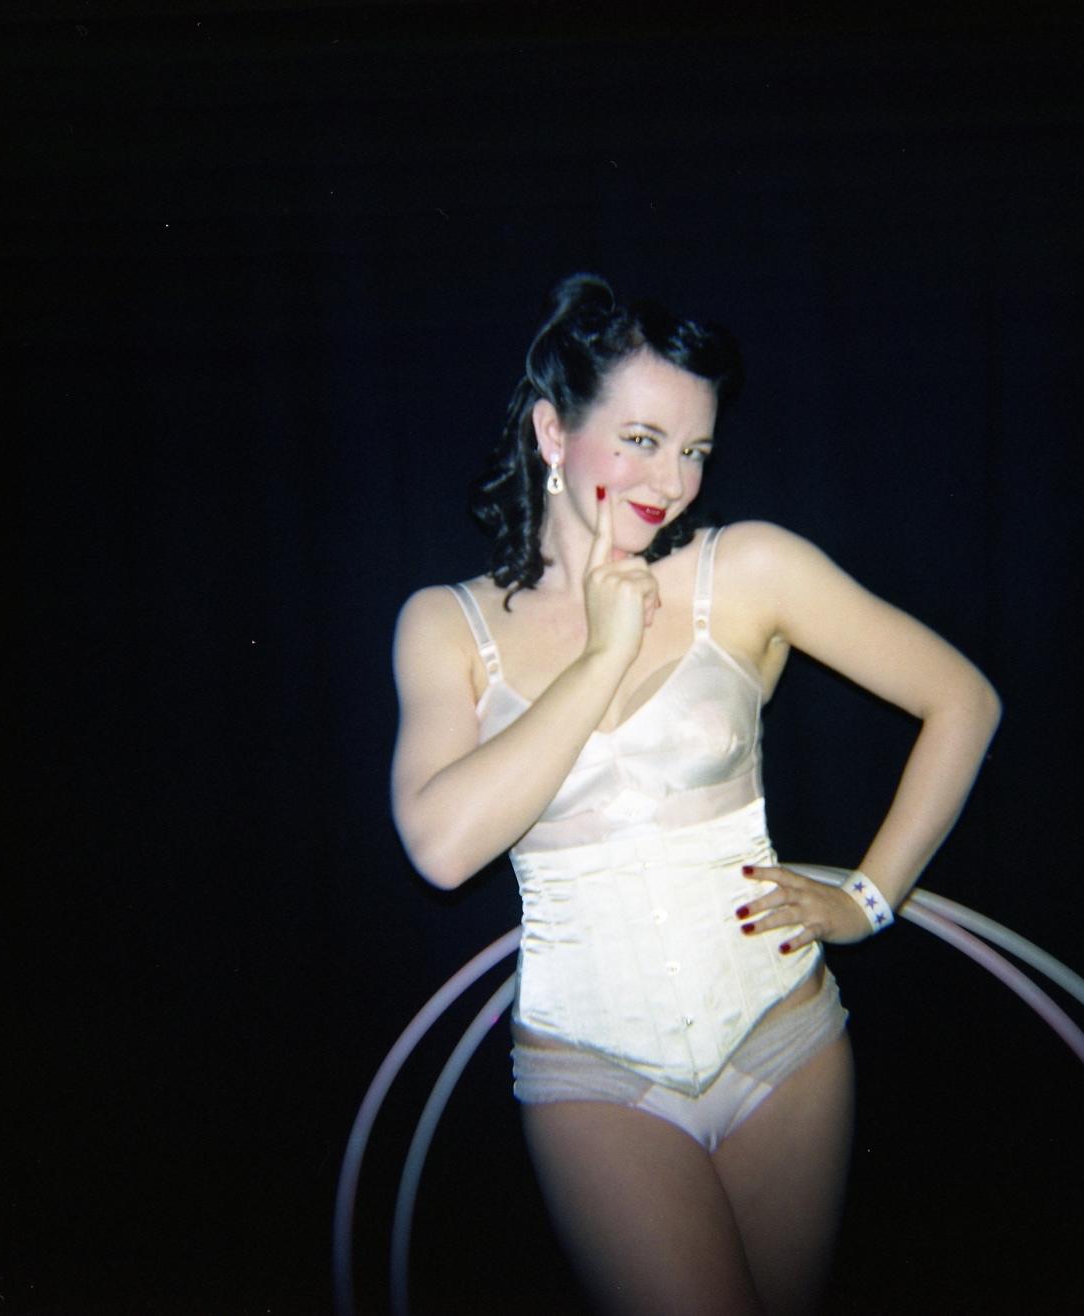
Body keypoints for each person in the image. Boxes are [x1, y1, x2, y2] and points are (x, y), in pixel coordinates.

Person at [390, 274, 1001, 1315]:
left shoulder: (746, 569)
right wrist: (603, 655)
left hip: (785, 1038)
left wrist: (868, 898)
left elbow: (964, 701)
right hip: (594, 1073)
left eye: (695, 449)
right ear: (553, 431)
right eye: (640, 439)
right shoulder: (447, 625)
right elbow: (443, 849)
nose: (671, 481)